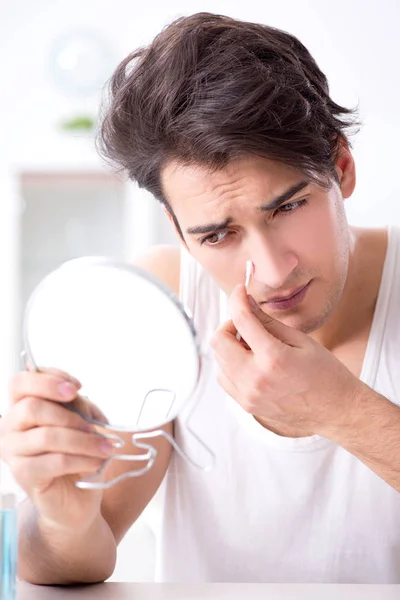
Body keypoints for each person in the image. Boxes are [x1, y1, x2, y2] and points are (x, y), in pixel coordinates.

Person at [1, 11, 400, 585]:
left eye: (287, 207)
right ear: (177, 227)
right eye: (217, 235)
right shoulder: (163, 305)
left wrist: (341, 411)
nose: (271, 271)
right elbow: (69, 564)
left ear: (341, 166)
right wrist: (62, 513)